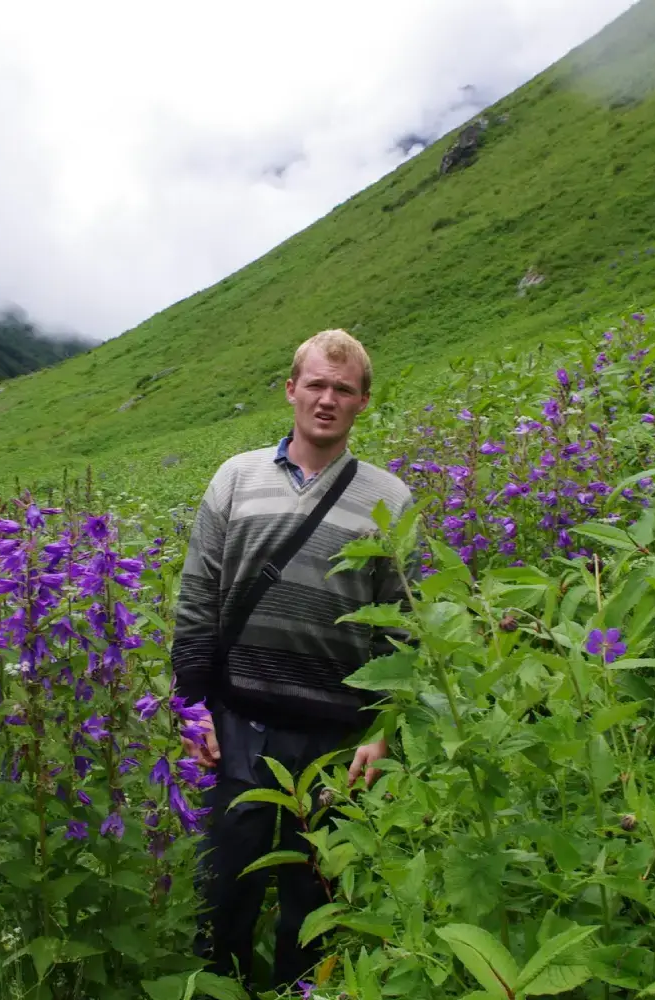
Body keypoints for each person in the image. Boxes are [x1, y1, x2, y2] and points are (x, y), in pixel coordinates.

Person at [171, 328, 412, 988]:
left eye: (343, 389)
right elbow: (198, 599)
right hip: (238, 725)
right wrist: (192, 710)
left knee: (315, 908)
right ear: (290, 390)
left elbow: (401, 632)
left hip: (337, 736)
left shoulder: (389, 499)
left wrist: (385, 732)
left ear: (364, 401)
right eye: (315, 384)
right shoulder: (235, 479)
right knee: (222, 894)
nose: (327, 399)